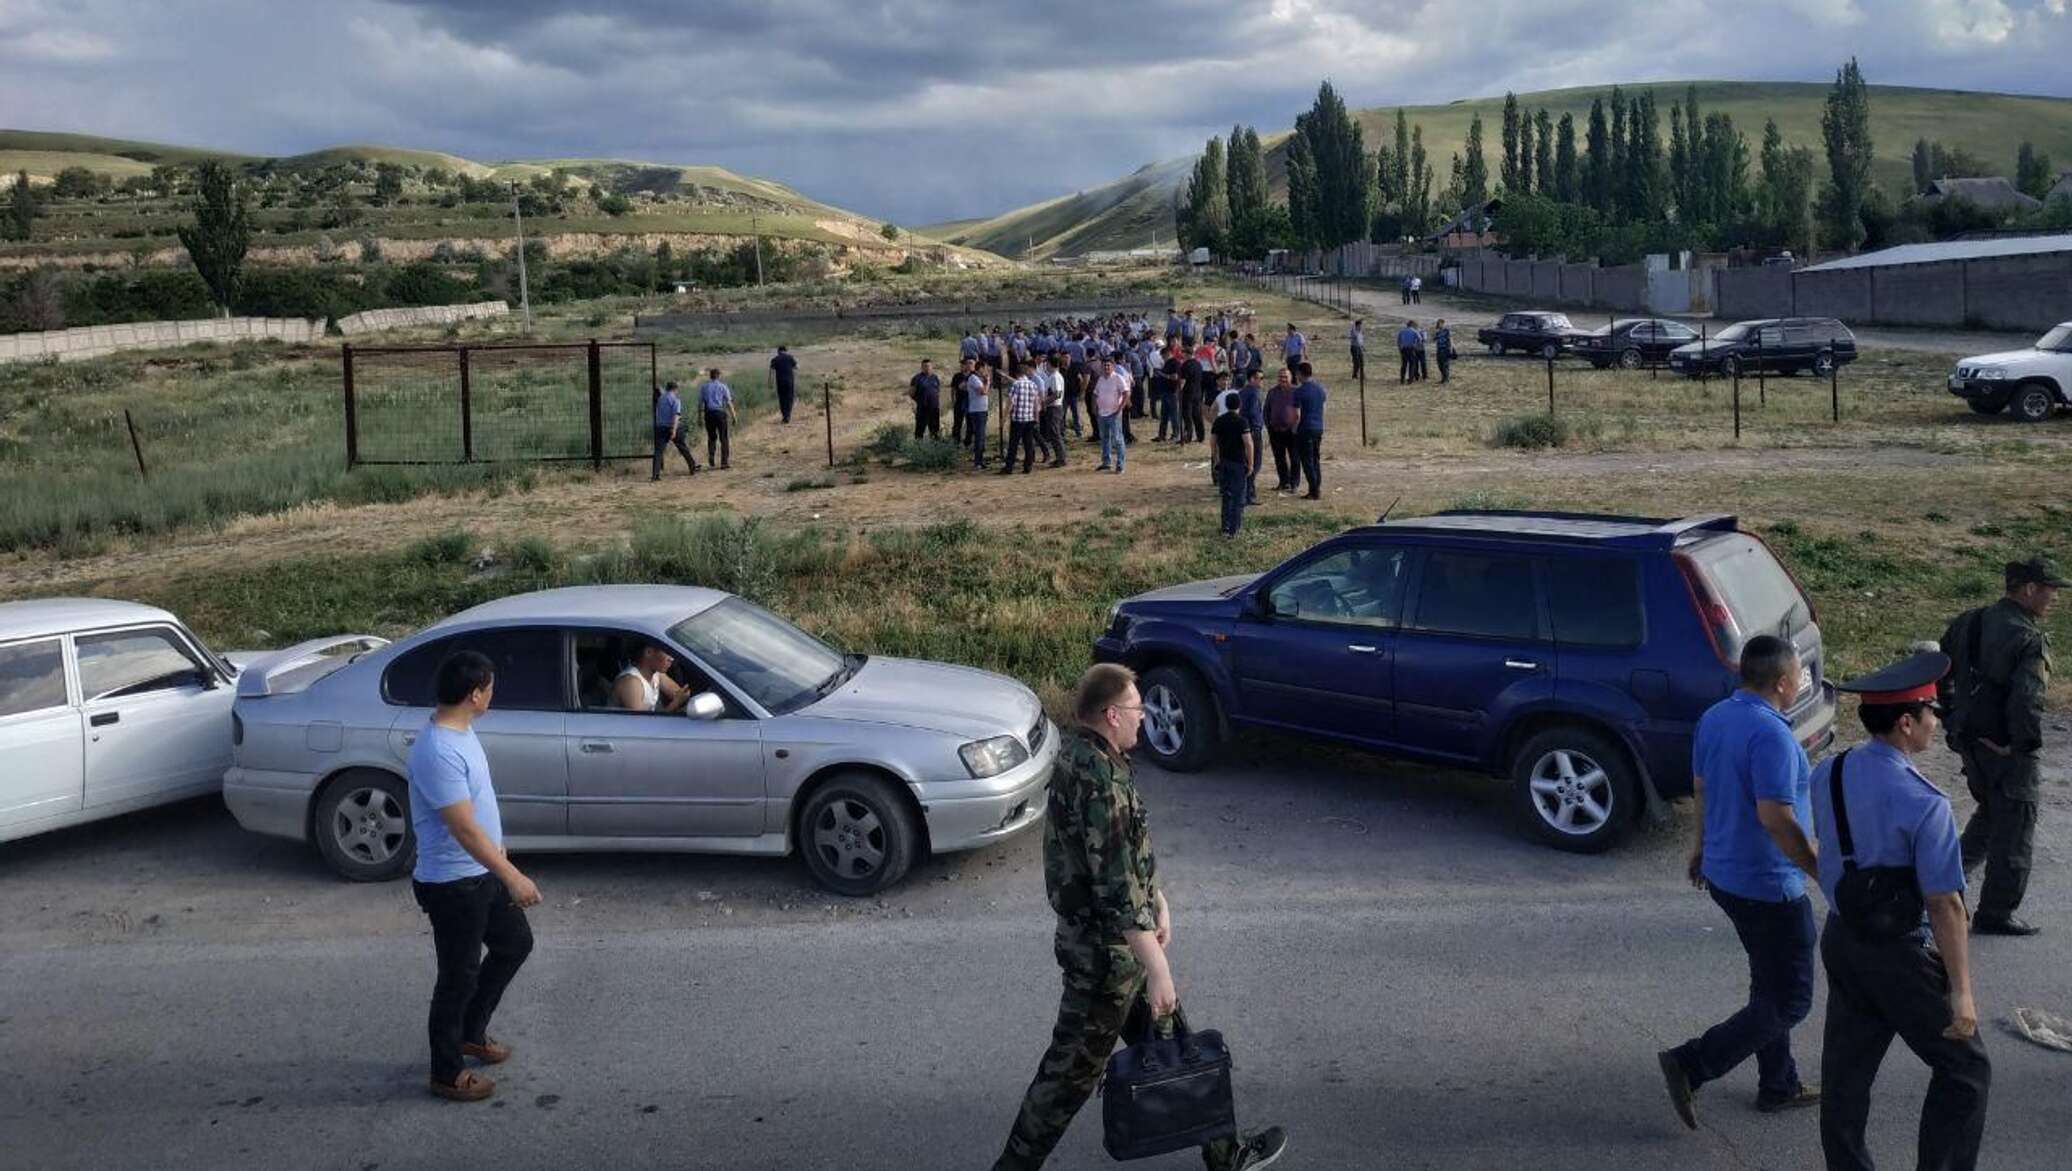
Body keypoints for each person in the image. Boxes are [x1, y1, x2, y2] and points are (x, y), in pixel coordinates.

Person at [990, 664, 1288, 1171]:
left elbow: (1120, 859)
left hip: (1117, 945)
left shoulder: (1085, 756)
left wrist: (1160, 899)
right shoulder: (1101, 782)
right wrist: (1157, 967)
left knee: (1176, 1046)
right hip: (1108, 959)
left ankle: (1225, 1154)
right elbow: (1114, 890)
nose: (1144, 715)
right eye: (1136, 707)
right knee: (1069, 1075)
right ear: (1111, 715)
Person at [1812, 652, 1990, 1171]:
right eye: (1932, 710)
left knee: (1847, 1075)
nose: (1938, 720)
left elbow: (1824, 845)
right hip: (1898, 955)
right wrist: (1961, 993)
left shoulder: (1830, 771)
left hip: (1843, 937)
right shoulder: (1924, 801)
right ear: (1907, 723)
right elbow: (1945, 904)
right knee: (1966, 1070)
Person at [1658, 635, 1820, 1131]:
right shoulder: (1772, 736)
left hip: (1727, 874)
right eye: (1800, 675)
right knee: (1792, 998)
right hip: (1769, 883)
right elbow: (1775, 816)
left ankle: (1778, 1083)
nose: (1804, 682)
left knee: (1768, 984)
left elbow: (1702, 786)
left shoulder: (1716, 717)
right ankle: (1693, 1062)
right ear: (1781, 682)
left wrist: (1701, 847)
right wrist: (1819, 869)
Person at [407, 650, 541, 1103]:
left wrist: (498, 860)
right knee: (457, 978)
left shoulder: (460, 731)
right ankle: (446, 1072)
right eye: (489, 687)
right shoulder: (438, 750)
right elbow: (462, 827)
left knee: (514, 944)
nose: (492, 694)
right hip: (453, 884)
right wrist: (513, 875)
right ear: (474, 695)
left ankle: (470, 1031)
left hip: (480, 872)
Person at [1942, 555, 2061, 936]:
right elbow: (2027, 701)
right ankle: (1996, 912)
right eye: (2050, 590)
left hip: (1970, 742)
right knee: (2016, 827)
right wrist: (2022, 746)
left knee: (1991, 814)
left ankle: (1941, 883)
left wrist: (1951, 720)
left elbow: (1938, 669)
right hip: (2005, 749)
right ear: (2028, 590)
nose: (2055, 598)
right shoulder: (2029, 638)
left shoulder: (1969, 621)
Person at [1210, 391, 1255, 538]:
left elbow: (1213, 441)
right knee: (1238, 497)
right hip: (1238, 463)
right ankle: (1234, 529)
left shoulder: (1219, 421)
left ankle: (1225, 527)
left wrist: (1215, 458)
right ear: (1239, 405)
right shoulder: (1242, 422)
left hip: (1224, 462)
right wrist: (1251, 463)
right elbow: (1248, 443)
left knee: (1226, 496)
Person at [613, 643, 692, 713]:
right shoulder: (631, 683)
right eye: (667, 653)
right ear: (648, 652)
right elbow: (641, 725)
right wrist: (675, 703)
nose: (671, 659)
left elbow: (680, 694)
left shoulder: (656, 674)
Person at [1001, 364, 1043, 476]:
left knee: (1013, 444)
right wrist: (1036, 417)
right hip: (1029, 419)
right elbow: (1036, 403)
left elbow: (1010, 402)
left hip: (1018, 419)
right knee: (1028, 443)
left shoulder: (1016, 384)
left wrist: (1004, 418)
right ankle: (1028, 466)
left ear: (1016, 373)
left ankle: (1009, 467)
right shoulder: (1033, 384)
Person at [650, 380, 696, 481]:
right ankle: (692, 467)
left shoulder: (660, 399)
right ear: (675, 389)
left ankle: (655, 475)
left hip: (660, 427)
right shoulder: (675, 400)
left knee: (658, 451)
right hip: (672, 426)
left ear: (667, 388)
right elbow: (676, 416)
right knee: (682, 447)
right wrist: (674, 430)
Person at [1292, 361, 1325, 500]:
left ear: (1300, 373)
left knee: (1307, 460)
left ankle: (1313, 490)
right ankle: (1317, 486)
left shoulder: (1299, 391)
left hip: (1305, 428)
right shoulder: (1320, 389)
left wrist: (1294, 428)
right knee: (1316, 458)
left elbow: (1297, 414)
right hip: (1318, 427)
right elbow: (1323, 408)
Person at [1093, 357, 1130, 473]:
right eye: (1104, 365)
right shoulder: (1101, 379)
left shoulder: (1118, 378)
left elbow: (1126, 393)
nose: (1106, 367)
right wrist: (1094, 407)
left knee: (1117, 439)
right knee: (1104, 438)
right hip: (1102, 414)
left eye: (1108, 365)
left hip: (1114, 413)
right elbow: (1095, 394)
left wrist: (1120, 408)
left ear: (1113, 366)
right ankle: (1106, 462)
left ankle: (1120, 465)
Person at [1265, 368, 1298, 493]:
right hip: (1275, 430)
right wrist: (1268, 425)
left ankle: (1294, 483)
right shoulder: (1272, 392)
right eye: (1280, 377)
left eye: (1285, 376)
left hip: (1292, 431)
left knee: (1294, 458)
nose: (1283, 379)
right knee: (1279, 458)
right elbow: (1266, 410)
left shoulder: (1296, 391)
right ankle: (1283, 482)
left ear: (1291, 377)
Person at [698, 368, 737, 469]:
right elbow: (728, 402)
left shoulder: (704, 387)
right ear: (718, 376)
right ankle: (724, 462)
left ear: (710, 376)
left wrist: (699, 417)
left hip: (709, 414)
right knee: (723, 438)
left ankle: (711, 457)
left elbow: (700, 403)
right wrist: (734, 416)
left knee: (711, 437)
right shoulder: (723, 386)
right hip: (720, 413)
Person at [1237, 369, 1265, 506]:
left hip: (1244, 430)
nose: (1261, 381)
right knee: (1254, 463)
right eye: (1259, 378)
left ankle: (1245, 492)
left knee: (1247, 461)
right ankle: (1249, 494)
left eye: (1262, 378)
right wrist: (1257, 427)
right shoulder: (1253, 393)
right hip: (1253, 430)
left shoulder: (1242, 392)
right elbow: (1254, 413)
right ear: (1251, 379)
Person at [1038, 359, 1068, 468]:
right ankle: (1060, 457)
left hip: (1054, 408)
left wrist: (1044, 403)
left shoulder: (1055, 376)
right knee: (1054, 433)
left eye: (1047, 364)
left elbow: (1057, 394)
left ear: (1050, 364)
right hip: (1053, 407)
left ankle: (1061, 458)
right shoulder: (1053, 376)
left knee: (1055, 433)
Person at [965, 364, 991, 470]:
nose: (986, 371)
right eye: (984, 369)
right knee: (979, 436)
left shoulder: (978, 379)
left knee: (981, 436)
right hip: (977, 411)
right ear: (979, 369)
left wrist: (985, 381)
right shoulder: (974, 378)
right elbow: (983, 392)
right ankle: (978, 461)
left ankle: (980, 460)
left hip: (982, 410)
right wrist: (988, 381)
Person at [910, 358, 942, 441]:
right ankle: (918, 447)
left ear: (931, 367)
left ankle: (935, 447)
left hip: (934, 408)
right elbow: (911, 393)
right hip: (922, 408)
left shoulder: (935, 378)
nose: (926, 368)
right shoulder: (917, 378)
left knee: (935, 430)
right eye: (924, 366)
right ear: (921, 367)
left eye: (928, 366)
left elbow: (937, 391)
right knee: (920, 430)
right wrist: (918, 401)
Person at [768, 344, 798, 424]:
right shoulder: (790, 357)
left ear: (778, 351)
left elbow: (771, 371)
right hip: (789, 381)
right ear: (785, 350)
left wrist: (770, 382)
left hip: (780, 382)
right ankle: (788, 415)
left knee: (782, 399)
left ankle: (785, 416)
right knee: (789, 398)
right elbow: (796, 367)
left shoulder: (775, 359)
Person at [952, 357, 976, 446]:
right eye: (967, 364)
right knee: (957, 423)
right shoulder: (957, 376)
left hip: (971, 402)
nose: (968, 365)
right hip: (959, 402)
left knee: (970, 423)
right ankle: (955, 442)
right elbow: (954, 388)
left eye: (970, 364)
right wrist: (953, 400)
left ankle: (968, 442)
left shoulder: (974, 375)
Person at [1434, 319, 1455, 384]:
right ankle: (1443, 379)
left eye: (1439, 323)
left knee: (1445, 365)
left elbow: (1451, 340)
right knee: (1440, 365)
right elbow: (1434, 339)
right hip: (1439, 349)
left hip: (1445, 349)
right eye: (1437, 324)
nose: (1438, 325)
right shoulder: (1438, 332)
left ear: (1443, 323)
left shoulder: (1447, 331)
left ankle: (1446, 380)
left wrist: (1451, 349)